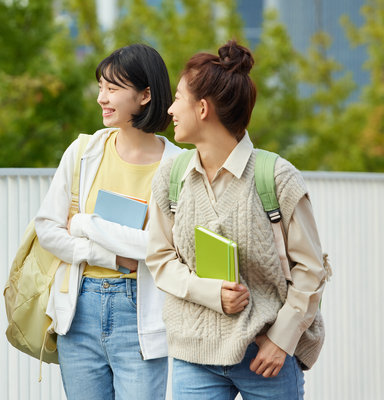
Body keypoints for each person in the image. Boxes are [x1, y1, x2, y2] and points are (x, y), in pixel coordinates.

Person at [145, 40, 328, 399]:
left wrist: (283, 339)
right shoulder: (170, 177)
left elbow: (311, 270)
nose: (169, 109)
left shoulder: (277, 177)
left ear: (202, 108)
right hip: (193, 354)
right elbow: (160, 258)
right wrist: (211, 293)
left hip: (266, 355)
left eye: (177, 98)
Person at [34, 44, 182, 400]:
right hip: (79, 309)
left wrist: (86, 223)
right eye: (101, 87)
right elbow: (47, 229)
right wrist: (110, 257)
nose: (102, 97)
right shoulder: (84, 150)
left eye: (113, 89)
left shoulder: (179, 166)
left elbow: (162, 247)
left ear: (146, 95)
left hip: (140, 314)